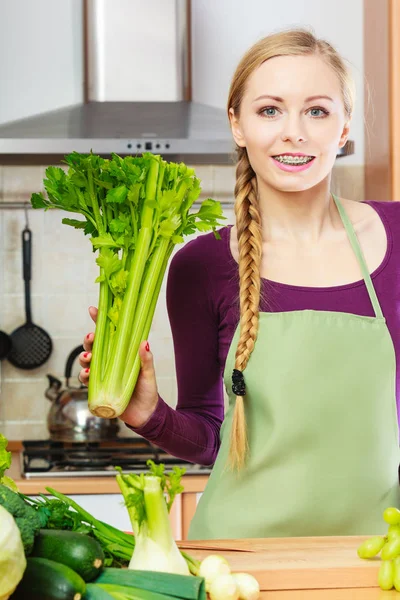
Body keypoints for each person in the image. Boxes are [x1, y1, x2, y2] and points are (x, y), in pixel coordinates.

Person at [79, 28, 400, 540]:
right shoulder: (200, 265)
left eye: (317, 110)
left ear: (343, 128)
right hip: (240, 558)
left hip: (376, 556)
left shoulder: (397, 237)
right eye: (270, 110)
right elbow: (210, 437)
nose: (294, 132)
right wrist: (147, 413)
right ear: (237, 124)